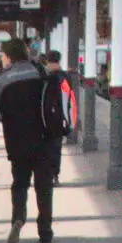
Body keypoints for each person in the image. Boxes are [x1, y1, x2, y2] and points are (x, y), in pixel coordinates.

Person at [0, 38, 64, 243]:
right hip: (44, 139)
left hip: (17, 141)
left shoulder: (2, 81)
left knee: (20, 183)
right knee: (44, 186)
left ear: (9, 57)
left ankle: (18, 219)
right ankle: (45, 230)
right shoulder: (42, 74)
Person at [43, 51, 76, 187]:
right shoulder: (65, 77)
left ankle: (46, 174)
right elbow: (68, 100)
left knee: (44, 148)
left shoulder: (43, 76)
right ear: (59, 60)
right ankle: (55, 175)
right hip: (59, 118)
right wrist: (69, 121)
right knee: (56, 148)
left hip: (43, 117)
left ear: (47, 61)